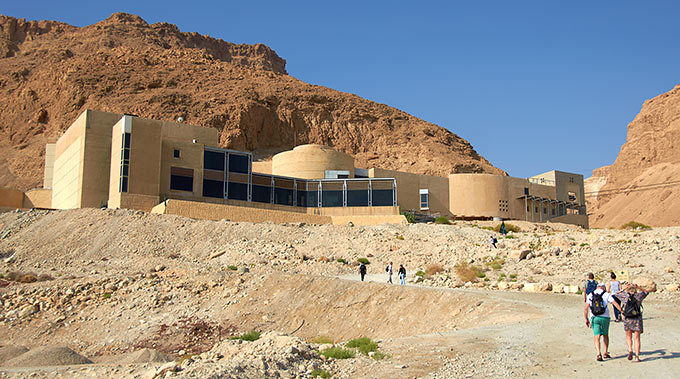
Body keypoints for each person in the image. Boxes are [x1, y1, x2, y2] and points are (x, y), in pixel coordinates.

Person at [584, 282, 623, 361]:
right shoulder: (606, 294)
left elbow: (586, 308)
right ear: (603, 287)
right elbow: (614, 303)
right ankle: (605, 352)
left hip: (594, 317)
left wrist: (586, 319)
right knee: (605, 334)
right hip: (605, 317)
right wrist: (622, 312)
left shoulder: (591, 295)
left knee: (596, 336)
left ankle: (599, 354)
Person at [614, 283, 649, 362]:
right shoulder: (638, 296)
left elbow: (616, 294)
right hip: (637, 319)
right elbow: (646, 292)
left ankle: (630, 350)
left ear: (628, 290)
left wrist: (624, 288)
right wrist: (639, 287)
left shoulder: (626, 297)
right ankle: (637, 357)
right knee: (637, 338)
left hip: (628, 319)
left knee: (628, 336)